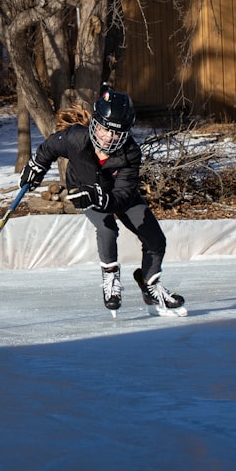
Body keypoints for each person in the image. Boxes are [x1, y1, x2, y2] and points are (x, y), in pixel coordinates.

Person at [19, 87, 186, 316]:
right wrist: (36, 166)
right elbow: (50, 146)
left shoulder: (130, 153)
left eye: (117, 133)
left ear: (126, 133)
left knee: (155, 239)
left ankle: (150, 285)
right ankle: (110, 278)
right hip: (84, 189)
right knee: (107, 229)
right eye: (105, 130)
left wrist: (102, 197)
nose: (108, 137)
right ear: (95, 124)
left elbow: (123, 197)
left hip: (117, 195)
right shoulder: (77, 138)